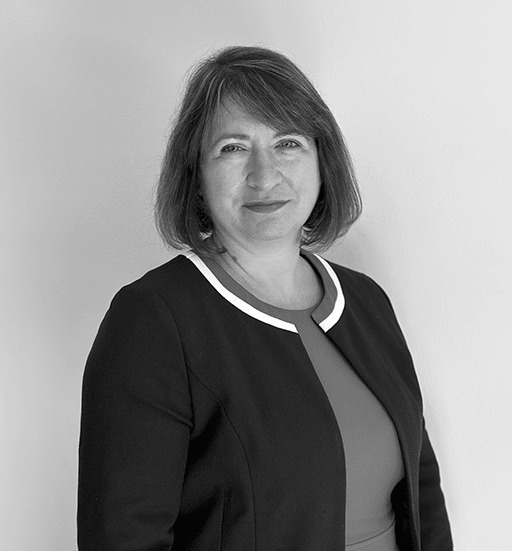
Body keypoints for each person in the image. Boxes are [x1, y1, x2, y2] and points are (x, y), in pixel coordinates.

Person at [77, 46, 453, 551]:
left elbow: (420, 488)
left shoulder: (366, 301)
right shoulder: (152, 321)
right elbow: (124, 536)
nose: (264, 174)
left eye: (288, 143)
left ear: (322, 162)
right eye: (233, 148)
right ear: (196, 175)